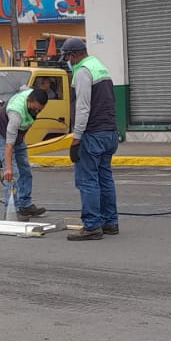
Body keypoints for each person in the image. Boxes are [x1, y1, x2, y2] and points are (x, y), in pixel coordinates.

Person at [61, 36, 120, 240]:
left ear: (74, 55)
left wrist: (76, 138)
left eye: (67, 57)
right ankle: (110, 222)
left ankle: (92, 225)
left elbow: (83, 107)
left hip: (92, 133)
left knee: (87, 181)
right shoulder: (100, 67)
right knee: (105, 178)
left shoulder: (83, 71)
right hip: (109, 132)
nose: (67, 61)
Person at [0, 86, 51, 221]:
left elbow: (23, 87)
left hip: (18, 137)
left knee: (25, 170)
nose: (37, 111)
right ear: (29, 101)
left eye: (39, 109)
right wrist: (8, 169)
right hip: (4, 137)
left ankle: (25, 205)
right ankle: (12, 210)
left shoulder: (32, 96)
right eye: (35, 108)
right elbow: (8, 145)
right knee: (13, 174)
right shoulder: (16, 114)